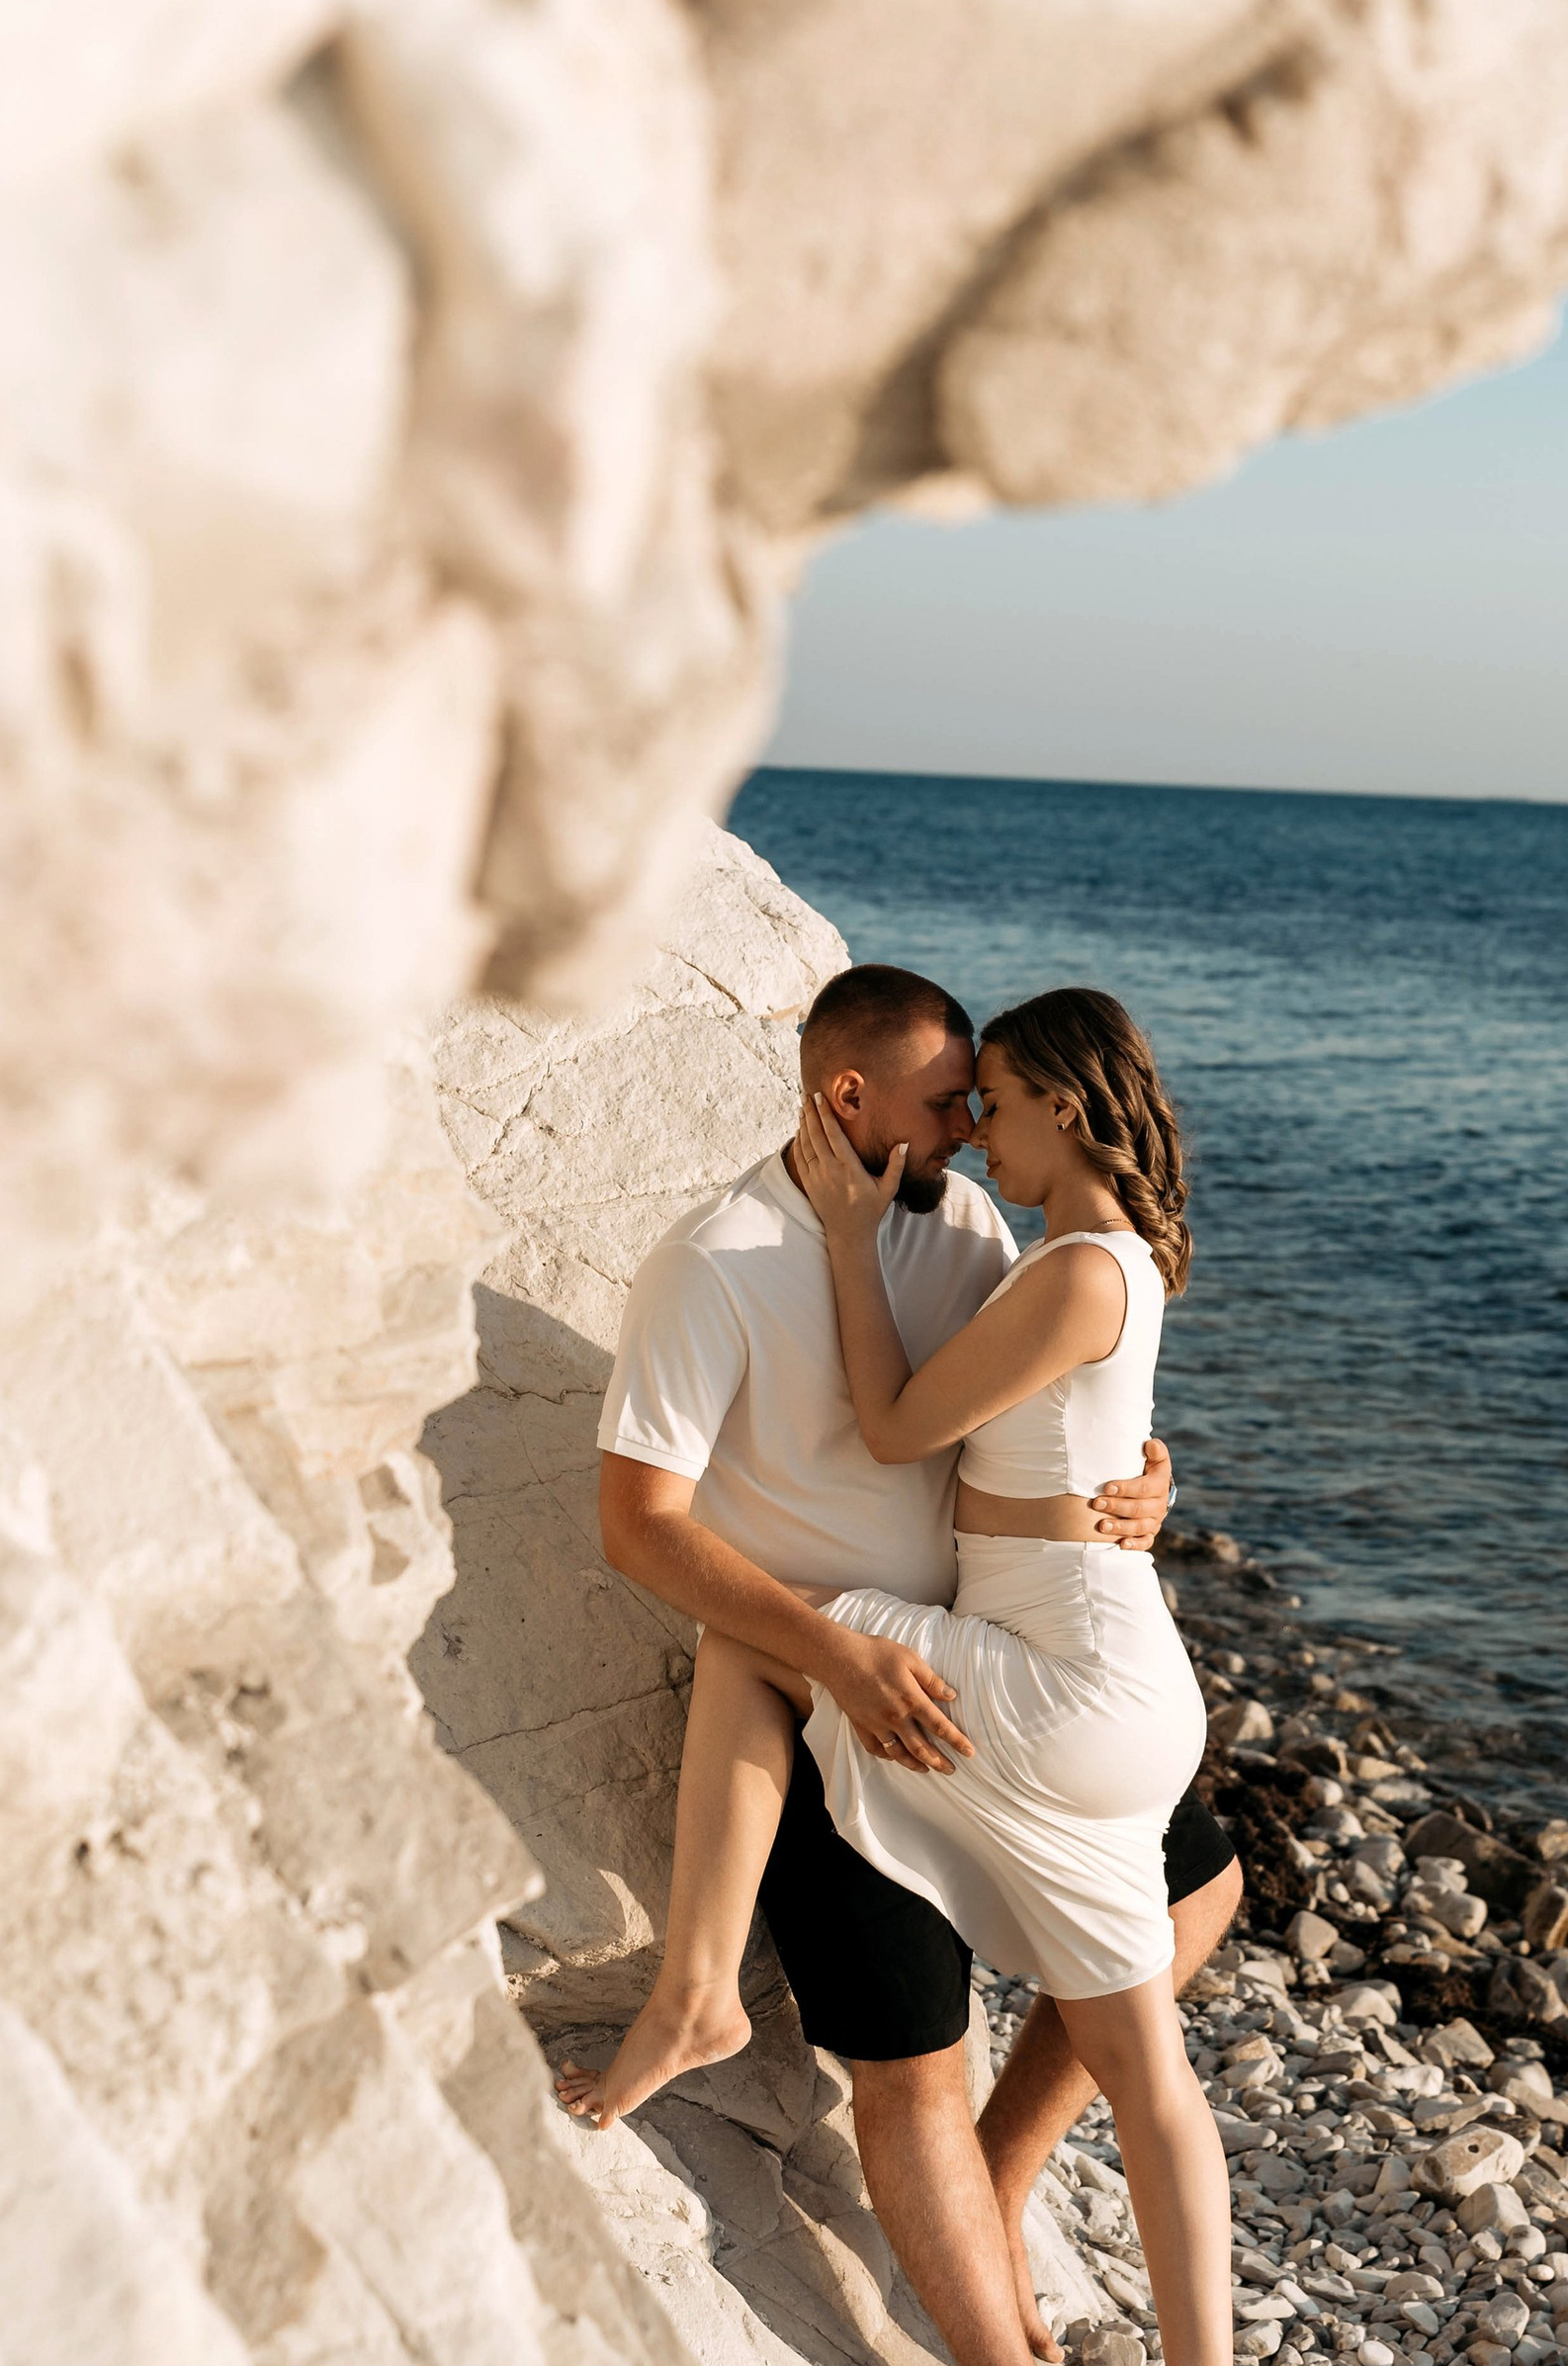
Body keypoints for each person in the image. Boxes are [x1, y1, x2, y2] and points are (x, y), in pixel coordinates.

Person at [556, 966, 1241, 2366]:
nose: (974, 1131)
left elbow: (1043, 1392)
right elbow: (639, 1527)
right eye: (950, 1106)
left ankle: (984, 2179)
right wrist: (837, 1657)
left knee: (1203, 1897)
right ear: (846, 1099)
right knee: (925, 2066)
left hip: (1015, 1671)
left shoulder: (973, 1227)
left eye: (988, 1104)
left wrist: (1145, 1475)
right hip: (873, 1690)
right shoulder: (719, 1260)